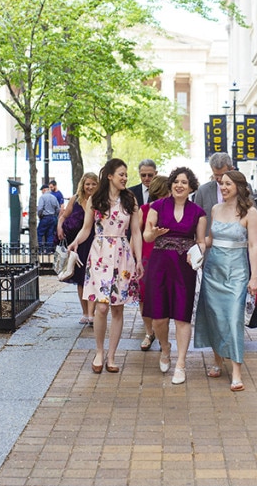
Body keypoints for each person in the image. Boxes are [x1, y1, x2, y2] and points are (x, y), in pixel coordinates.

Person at [68, 158, 144, 374]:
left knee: (118, 307)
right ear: (109, 175)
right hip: (100, 253)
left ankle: (111, 356)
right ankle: (99, 352)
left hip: (122, 254)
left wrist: (138, 260)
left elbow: (136, 233)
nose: (125, 178)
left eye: (126, 174)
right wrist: (76, 242)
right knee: (101, 306)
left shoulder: (130, 199)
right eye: (121, 174)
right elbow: (86, 229)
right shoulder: (95, 199)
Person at [193, 170, 257, 392]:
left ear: (239, 186)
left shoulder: (250, 212)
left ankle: (237, 371)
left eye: (228, 184)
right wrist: (197, 247)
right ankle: (217, 361)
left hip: (237, 272)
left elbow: (253, 246)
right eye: (221, 184)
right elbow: (211, 239)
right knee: (215, 317)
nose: (223, 187)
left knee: (233, 319)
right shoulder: (215, 209)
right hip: (213, 271)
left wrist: (254, 277)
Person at [143, 166, 206, 384]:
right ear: (171, 184)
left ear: (191, 187)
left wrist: (198, 253)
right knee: (159, 318)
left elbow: (200, 241)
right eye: (177, 181)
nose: (180, 185)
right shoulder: (157, 206)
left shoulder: (198, 212)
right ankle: (165, 347)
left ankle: (181, 363)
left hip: (184, 266)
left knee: (182, 316)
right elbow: (147, 236)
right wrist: (153, 232)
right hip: (159, 264)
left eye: (184, 182)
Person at [193, 152, 257, 258]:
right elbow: (195, 221)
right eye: (216, 175)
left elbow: (255, 219)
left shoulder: (244, 188)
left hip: (238, 254)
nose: (219, 179)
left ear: (232, 169)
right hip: (210, 253)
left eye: (223, 174)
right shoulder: (203, 191)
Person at [58, 172, 99, 325]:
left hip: (96, 241)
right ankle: (85, 312)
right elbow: (63, 216)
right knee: (82, 278)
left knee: (94, 277)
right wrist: (59, 227)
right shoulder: (76, 199)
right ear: (83, 184)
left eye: (94, 184)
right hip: (80, 242)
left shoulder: (101, 200)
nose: (90, 187)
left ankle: (92, 312)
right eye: (87, 184)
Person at [137, 175, 171, 351]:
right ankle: (149, 331)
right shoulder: (144, 209)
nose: (165, 198)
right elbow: (135, 234)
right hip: (146, 255)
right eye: (162, 193)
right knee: (143, 295)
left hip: (167, 257)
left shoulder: (175, 210)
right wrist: (133, 258)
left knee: (165, 295)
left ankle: (161, 332)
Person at [36, 184, 60, 250]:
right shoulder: (54, 197)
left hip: (45, 217)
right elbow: (58, 208)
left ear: (44, 190)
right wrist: (55, 215)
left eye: (42, 191)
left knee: (40, 233)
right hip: (52, 217)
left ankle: (40, 249)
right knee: (50, 234)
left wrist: (39, 215)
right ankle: (49, 250)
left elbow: (40, 209)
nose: (42, 192)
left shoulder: (42, 197)